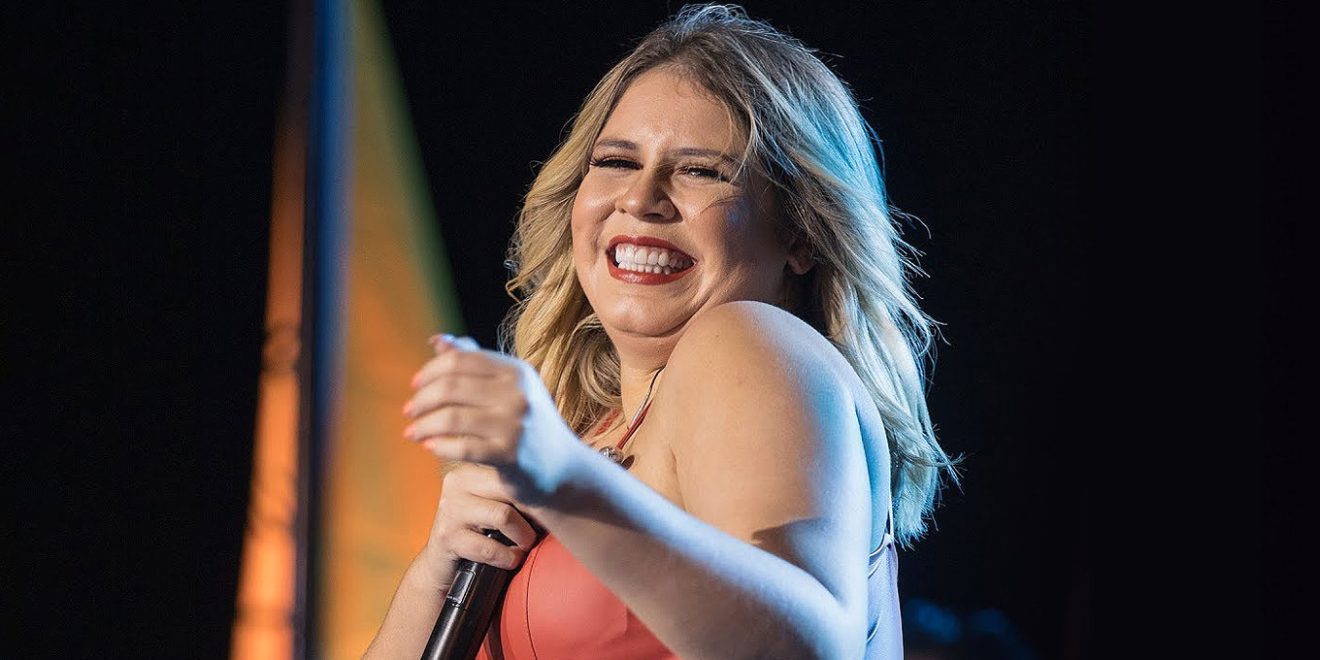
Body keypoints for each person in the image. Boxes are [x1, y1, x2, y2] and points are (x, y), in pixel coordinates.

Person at [365, 4, 956, 659]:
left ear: (799, 233)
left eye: (700, 170)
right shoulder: (593, 429)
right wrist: (435, 570)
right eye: (617, 161)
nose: (641, 199)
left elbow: (813, 649)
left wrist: (560, 477)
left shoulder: (747, 341)